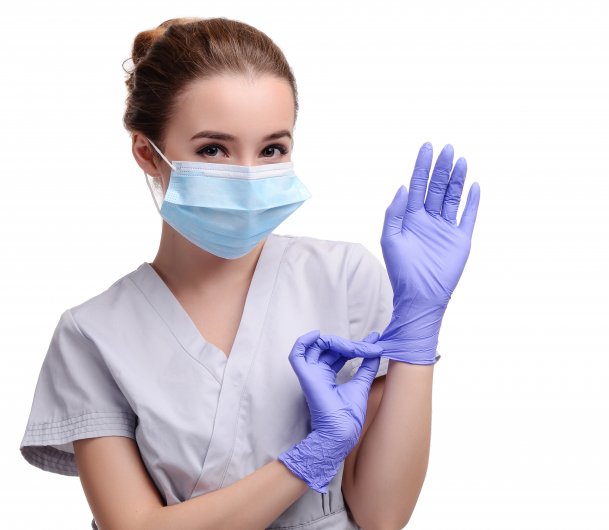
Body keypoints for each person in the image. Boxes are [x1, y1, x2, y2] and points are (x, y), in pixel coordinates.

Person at [19, 16, 480, 530]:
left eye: (271, 149)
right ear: (148, 153)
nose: (247, 176)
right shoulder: (93, 335)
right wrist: (309, 459)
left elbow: (382, 516)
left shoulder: (345, 278)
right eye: (213, 150)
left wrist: (419, 321)